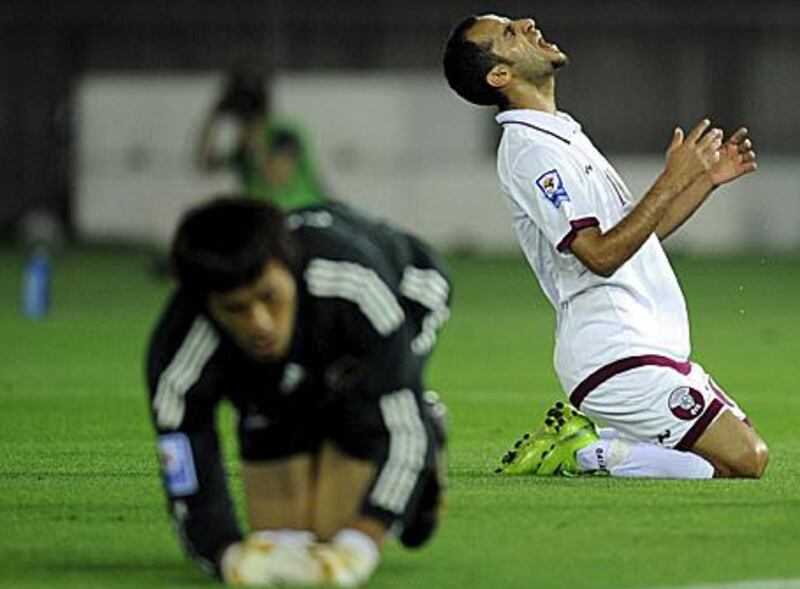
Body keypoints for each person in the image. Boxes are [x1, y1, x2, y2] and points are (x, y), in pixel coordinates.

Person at [442, 14, 768, 479]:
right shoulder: (532, 151)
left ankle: (602, 439)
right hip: (613, 352)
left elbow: (635, 240)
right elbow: (599, 255)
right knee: (746, 459)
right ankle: (584, 453)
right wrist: (670, 179)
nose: (528, 23)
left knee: (724, 451)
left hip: (648, 341)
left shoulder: (562, 134)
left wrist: (700, 183)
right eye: (510, 33)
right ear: (499, 75)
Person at [146, 196, 450, 585]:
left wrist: (361, 541)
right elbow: (183, 455)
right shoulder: (180, 347)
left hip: (409, 292)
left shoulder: (355, 290)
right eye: (235, 308)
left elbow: (402, 431)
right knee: (281, 541)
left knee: (332, 527)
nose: (260, 324)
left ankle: (428, 440)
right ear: (206, 305)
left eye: (269, 297)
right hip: (296, 357)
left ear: (290, 270)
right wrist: (224, 553)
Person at [196, 71, 327, 211]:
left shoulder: (284, 133)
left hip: (301, 213)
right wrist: (213, 120)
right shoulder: (244, 148)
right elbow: (205, 164)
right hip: (265, 221)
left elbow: (276, 177)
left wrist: (255, 145)